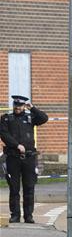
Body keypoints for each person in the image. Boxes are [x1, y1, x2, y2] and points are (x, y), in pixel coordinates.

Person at [0, 95, 48, 223]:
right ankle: (15, 215)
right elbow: (4, 134)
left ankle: (28, 216)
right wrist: (16, 145)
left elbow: (44, 118)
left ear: (24, 106)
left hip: (29, 158)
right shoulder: (6, 118)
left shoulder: (30, 117)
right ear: (14, 105)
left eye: (20, 106)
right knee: (14, 188)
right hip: (13, 158)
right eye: (16, 105)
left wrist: (32, 108)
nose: (17, 108)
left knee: (29, 188)